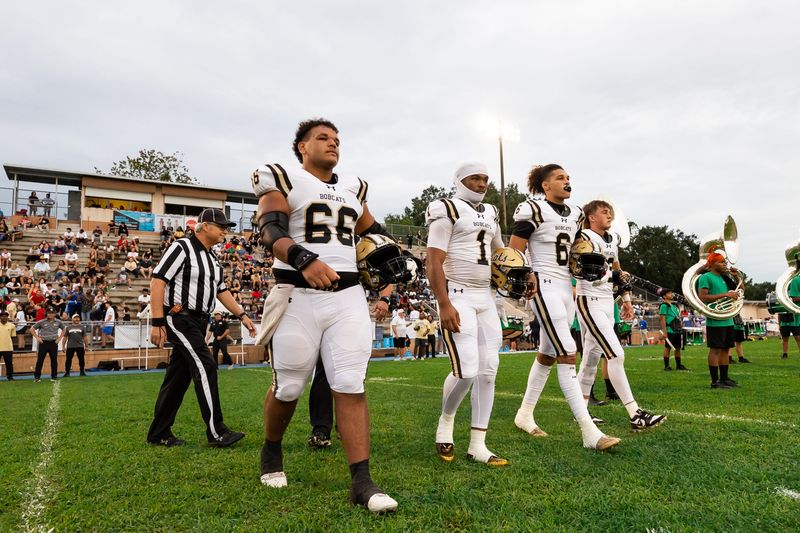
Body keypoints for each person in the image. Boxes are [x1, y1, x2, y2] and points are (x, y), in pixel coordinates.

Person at [252, 118, 397, 512]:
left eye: (337, 140)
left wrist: (393, 264)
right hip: (298, 293)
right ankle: (271, 451)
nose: (333, 144)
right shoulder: (281, 177)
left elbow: (375, 235)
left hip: (348, 295)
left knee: (350, 382)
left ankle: (362, 481)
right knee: (290, 388)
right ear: (301, 146)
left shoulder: (354, 187)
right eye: (322, 138)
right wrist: (303, 259)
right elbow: (270, 228)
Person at [510, 164, 619, 450]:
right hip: (543, 283)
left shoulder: (577, 214)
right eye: (560, 178)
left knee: (547, 353)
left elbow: (580, 250)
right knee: (567, 352)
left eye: (568, 178)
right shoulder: (532, 209)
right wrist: (526, 275)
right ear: (545, 185)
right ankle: (589, 431)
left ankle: (524, 414)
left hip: (565, 287)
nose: (567, 182)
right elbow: (514, 249)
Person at [146, 207, 256, 449]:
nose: (225, 232)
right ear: (205, 226)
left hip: (198, 320)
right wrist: (157, 321)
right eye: (221, 227)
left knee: (178, 377)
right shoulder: (181, 247)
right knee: (206, 365)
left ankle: (159, 432)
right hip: (179, 317)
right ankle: (217, 431)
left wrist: (242, 314)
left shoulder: (213, 259)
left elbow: (222, 291)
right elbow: (158, 281)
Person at [426, 162, 509, 466]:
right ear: (460, 180)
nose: (481, 183)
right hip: (457, 293)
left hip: (485, 296)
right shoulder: (446, 209)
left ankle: (478, 444)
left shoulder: (490, 213)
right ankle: (446, 421)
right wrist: (443, 303)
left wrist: (520, 276)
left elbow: (501, 254)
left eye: (485, 178)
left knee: (490, 369)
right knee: (467, 370)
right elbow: (434, 261)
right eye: (475, 177)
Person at [573, 200, 666, 430]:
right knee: (616, 355)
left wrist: (626, 300)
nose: (609, 216)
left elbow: (619, 272)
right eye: (604, 212)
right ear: (591, 217)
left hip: (607, 301)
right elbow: (575, 269)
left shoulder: (612, 239)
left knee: (591, 359)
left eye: (610, 212)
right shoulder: (582, 237)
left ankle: (580, 411)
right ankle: (635, 414)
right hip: (590, 299)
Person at [697, 253, 741, 388]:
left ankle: (724, 378)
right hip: (715, 319)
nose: (724, 264)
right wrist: (725, 294)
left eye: (724, 262)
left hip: (727, 318)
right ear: (713, 263)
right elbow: (703, 297)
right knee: (715, 349)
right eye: (721, 262)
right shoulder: (706, 277)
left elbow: (741, 290)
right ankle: (715, 381)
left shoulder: (724, 278)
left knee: (726, 349)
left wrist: (736, 277)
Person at [31, 307, 63, 382]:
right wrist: (37, 338)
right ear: (46, 314)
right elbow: (32, 329)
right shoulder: (41, 322)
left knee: (54, 361)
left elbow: (64, 329)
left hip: (53, 343)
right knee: (40, 360)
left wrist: (59, 339)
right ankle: (37, 377)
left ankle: (54, 377)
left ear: (55, 314)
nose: (51, 314)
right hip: (43, 343)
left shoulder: (58, 322)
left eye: (52, 313)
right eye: (49, 313)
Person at [659, 290, 688, 370]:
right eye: (669, 293)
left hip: (677, 330)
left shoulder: (674, 306)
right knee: (668, 347)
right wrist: (665, 331)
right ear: (664, 296)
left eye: (671, 293)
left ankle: (679, 365)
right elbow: (662, 319)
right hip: (669, 330)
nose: (671, 294)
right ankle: (666, 366)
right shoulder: (664, 306)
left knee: (678, 348)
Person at [0, 310, 16, 380]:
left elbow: (13, 337)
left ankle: (10, 377)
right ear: (0, 317)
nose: (4, 317)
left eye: (6, 316)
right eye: (3, 316)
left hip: (8, 348)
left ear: (7, 317)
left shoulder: (12, 325)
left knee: (9, 364)